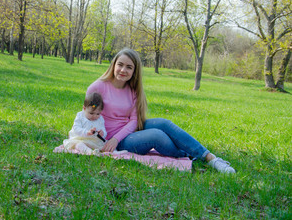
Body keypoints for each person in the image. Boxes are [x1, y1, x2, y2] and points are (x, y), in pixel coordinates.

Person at [86, 48, 236, 173]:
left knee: (163, 123)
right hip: (113, 139)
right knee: (157, 135)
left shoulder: (133, 90)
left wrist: (117, 137)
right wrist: (110, 139)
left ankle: (211, 159)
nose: (123, 70)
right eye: (120, 64)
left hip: (126, 131)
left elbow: (134, 120)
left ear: (134, 71)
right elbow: (88, 115)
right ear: (113, 65)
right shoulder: (97, 87)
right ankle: (188, 153)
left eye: (129, 67)